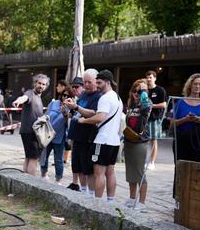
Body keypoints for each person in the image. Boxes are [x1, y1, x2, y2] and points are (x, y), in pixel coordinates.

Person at [65, 70, 123, 203]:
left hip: (102, 140)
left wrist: (83, 120)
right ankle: (110, 201)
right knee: (110, 172)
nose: (97, 85)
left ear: (107, 82)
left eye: (99, 82)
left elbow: (100, 116)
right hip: (113, 141)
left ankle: (97, 202)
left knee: (98, 173)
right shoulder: (117, 97)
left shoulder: (104, 97)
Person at [67, 69, 101, 195]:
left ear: (96, 81)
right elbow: (77, 112)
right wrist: (69, 109)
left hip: (88, 137)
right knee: (78, 167)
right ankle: (83, 190)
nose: (86, 85)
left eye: (89, 82)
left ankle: (91, 194)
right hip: (77, 136)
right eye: (84, 82)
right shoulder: (83, 95)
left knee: (88, 169)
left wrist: (76, 107)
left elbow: (94, 113)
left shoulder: (99, 96)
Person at [171, 74, 200, 163]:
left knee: (197, 169)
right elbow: (172, 124)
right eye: (195, 84)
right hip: (181, 140)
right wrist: (185, 119)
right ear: (190, 85)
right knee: (181, 169)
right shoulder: (180, 102)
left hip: (199, 140)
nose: (197, 86)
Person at [123, 79, 152, 210]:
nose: (137, 93)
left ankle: (142, 203)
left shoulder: (146, 104)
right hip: (129, 140)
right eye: (135, 90)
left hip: (140, 141)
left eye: (140, 91)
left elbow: (146, 108)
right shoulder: (131, 105)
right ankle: (131, 198)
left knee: (139, 172)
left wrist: (144, 94)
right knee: (130, 171)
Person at [13, 74, 49, 176]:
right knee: (34, 158)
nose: (41, 86)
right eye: (39, 83)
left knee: (28, 157)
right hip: (30, 132)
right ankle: (31, 183)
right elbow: (24, 97)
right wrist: (18, 101)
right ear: (35, 83)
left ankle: (24, 181)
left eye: (43, 84)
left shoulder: (38, 97)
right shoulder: (31, 93)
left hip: (32, 132)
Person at [40, 89, 72, 184]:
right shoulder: (54, 103)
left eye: (67, 95)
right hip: (48, 133)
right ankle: (43, 175)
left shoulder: (71, 107)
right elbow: (46, 114)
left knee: (58, 159)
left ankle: (58, 180)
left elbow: (68, 124)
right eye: (64, 95)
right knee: (44, 156)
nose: (65, 97)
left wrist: (65, 113)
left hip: (60, 136)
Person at [144, 70, 167, 170]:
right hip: (143, 118)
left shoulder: (160, 90)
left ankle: (152, 162)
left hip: (154, 119)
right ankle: (144, 161)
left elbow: (164, 104)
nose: (149, 79)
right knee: (143, 141)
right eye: (147, 77)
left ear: (155, 78)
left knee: (153, 140)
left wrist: (152, 105)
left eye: (151, 77)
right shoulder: (144, 90)